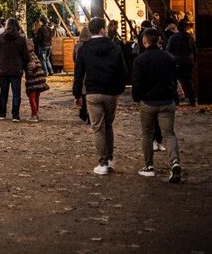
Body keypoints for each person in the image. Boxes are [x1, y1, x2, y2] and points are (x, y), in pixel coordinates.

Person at [72, 17, 127, 176]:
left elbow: (79, 73)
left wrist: (77, 93)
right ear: (103, 29)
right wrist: (119, 88)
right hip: (111, 91)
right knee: (108, 125)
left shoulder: (84, 48)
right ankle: (109, 159)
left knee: (98, 128)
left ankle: (102, 162)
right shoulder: (114, 47)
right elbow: (122, 71)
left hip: (93, 91)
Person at [133, 27, 183, 183]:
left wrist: (137, 98)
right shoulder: (169, 58)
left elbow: (137, 83)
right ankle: (174, 162)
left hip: (148, 102)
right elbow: (174, 80)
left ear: (145, 41)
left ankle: (149, 167)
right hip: (167, 101)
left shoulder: (140, 60)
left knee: (147, 134)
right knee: (169, 134)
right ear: (159, 41)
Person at [0, 18, 30, 122]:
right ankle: (15, 115)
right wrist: (23, 66)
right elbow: (26, 56)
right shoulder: (21, 39)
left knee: (3, 92)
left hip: (3, 69)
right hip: (16, 69)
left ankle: (2, 113)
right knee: (16, 93)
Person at [167, 19, 197, 106]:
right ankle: (192, 101)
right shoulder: (190, 38)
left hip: (176, 61)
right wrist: (194, 61)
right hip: (188, 61)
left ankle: (176, 102)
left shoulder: (173, 38)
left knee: (174, 82)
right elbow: (194, 51)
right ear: (186, 27)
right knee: (188, 81)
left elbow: (168, 50)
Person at [25, 44, 49, 122]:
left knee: (32, 98)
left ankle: (34, 114)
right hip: (39, 78)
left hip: (33, 79)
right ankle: (36, 113)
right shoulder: (35, 55)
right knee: (36, 97)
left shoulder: (28, 57)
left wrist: (28, 76)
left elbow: (31, 68)